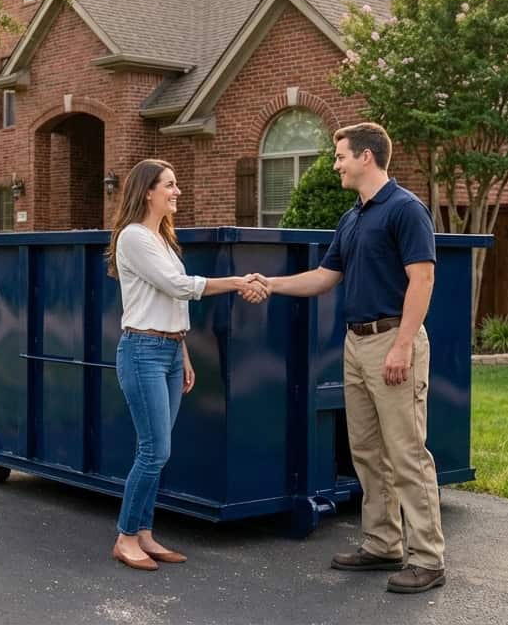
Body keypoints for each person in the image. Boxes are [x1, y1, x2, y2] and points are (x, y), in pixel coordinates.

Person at [253, 122, 444, 594]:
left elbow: (422, 281)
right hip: (356, 343)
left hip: (392, 340)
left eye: (340, 156)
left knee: (406, 453)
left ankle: (429, 559)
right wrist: (271, 284)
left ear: (366, 157)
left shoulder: (405, 210)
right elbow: (323, 277)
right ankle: (383, 544)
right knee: (367, 451)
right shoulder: (353, 217)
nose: (335, 164)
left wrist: (401, 344)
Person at [106, 159, 268, 571]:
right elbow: (177, 286)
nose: (177, 192)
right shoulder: (134, 238)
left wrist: (183, 351)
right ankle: (125, 536)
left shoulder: (162, 240)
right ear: (148, 191)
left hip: (167, 351)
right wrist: (235, 282)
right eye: (170, 185)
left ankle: (144, 533)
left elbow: (170, 301)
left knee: (159, 451)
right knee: (153, 449)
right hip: (141, 351)